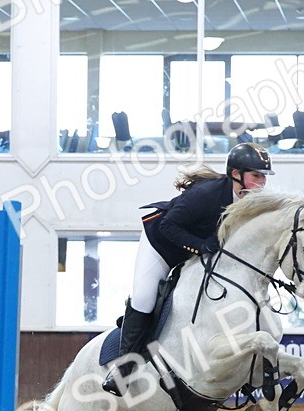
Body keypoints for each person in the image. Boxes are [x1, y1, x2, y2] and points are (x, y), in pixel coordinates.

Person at [102, 142, 274, 395]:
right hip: (160, 245)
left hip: (195, 248)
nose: (261, 183)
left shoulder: (248, 201)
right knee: (144, 297)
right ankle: (123, 368)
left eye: (263, 177)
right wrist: (201, 246)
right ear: (236, 174)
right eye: (256, 176)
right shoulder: (206, 194)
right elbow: (168, 226)